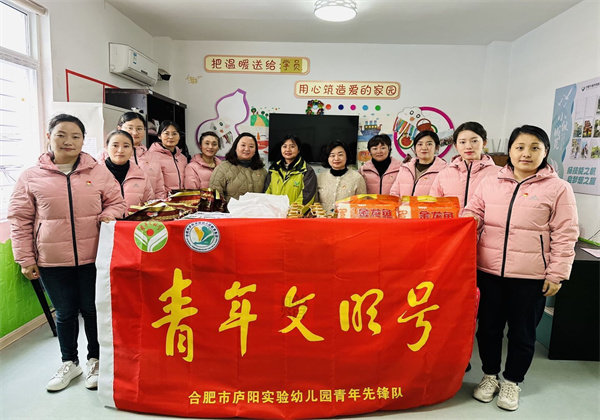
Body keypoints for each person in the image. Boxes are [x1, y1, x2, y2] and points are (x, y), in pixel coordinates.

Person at [463, 125, 578, 411]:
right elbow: (473, 212)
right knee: (487, 329)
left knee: (522, 333)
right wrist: (465, 224)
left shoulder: (558, 188)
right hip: (488, 271)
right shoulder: (490, 182)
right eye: (520, 147)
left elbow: (566, 233)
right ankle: (490, 376)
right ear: (510, 151)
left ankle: (512, 380)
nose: (526, 153)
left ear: (545, 152)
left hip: (530, 276)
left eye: (534, 148)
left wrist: (557, 274)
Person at [8, 114, 127, 392]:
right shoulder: (31, 176)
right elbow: (19, 219)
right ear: (49, 137)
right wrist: (25, 259)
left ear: (83, 140)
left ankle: (95, 360)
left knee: (92, 310)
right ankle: (69, 362)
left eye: (75, 136)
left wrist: (109, 214)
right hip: (51, 260)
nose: (68, 141)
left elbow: (117, 202)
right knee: (64, 313)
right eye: (61, 134)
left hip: (94, 256)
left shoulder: (98, 172)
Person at [430, 122, 500, 208]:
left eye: (474, 141)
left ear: (484, 143)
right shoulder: (443, 174)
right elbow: (433, 206)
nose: (468, 146)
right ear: (456, 146)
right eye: (462, 142)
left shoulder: (498, 174)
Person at [209, 132, 267, 204]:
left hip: (257, 210)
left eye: (251, 146)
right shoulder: (222, 168)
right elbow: (215, 194)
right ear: (235, 148)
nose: (247, 149)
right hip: (230, 211)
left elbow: (267, 196)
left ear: (255, 150)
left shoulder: (262, 171)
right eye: (243, 145)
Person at [264, 135, 316, 212]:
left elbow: (307, 197)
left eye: (292, 146)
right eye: (284, 146)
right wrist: (272, 211)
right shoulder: (274, 169)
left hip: (295, 216)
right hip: (274, 214)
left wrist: (291, 213)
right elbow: (266, 194)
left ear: (298, 150)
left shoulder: (307, 171)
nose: (288, 150)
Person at [103, 130, 154, 207]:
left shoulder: (141, 175)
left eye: (126, 146)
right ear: (106, 148)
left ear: (132, 150)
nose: (120, 150)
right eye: (115, 145)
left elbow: (149, 205)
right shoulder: (96, 174)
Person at [389, 130, 447, 197]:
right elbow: (394, 193)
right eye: (420, 144)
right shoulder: (405, 168)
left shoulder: (445, 170)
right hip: (404, 204)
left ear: (436, 147)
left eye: (429, 144)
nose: (424, 148)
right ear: (415, 149)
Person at [317, 140, 367, 215]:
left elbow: (362, 205)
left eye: (340, 155)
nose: (336, 158)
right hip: (323, 220)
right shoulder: (320, 177)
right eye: (332, 155)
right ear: (327, 158)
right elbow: (315, 204)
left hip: (348, 220)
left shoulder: (357, 178)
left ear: (347, 156)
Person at [143, 121, 187, 194]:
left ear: (179, 136)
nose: (171, 137)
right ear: (159, 136)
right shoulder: (152, 156)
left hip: (182, 198)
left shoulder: (183, 158)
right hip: (163, 199)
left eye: (174, 134)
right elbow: (152, 184)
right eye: (166, 133)